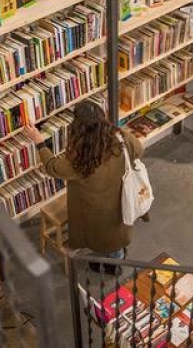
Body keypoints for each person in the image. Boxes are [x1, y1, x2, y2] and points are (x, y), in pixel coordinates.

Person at [23, 101, 144, 274]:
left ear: (78, 128)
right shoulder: (122, 138)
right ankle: (116, 260)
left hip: (95, 210)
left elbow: (53, 166)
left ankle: (108, 263)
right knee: (116, 236)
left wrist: (39, 142)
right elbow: (139, 151)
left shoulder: (81, 161)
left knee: (101, 238)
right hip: (122, 201)